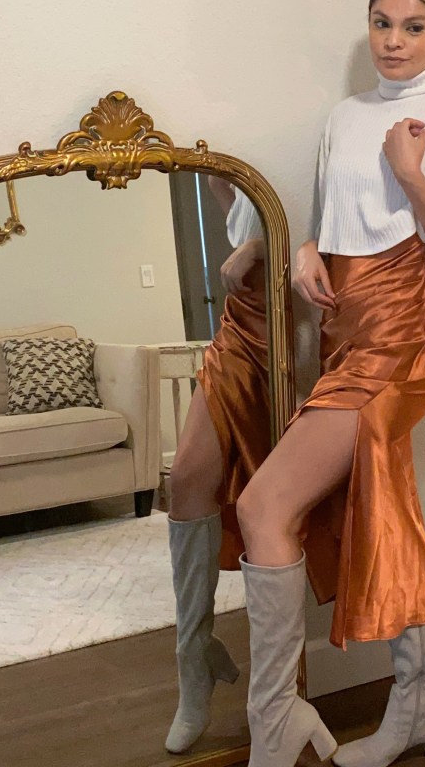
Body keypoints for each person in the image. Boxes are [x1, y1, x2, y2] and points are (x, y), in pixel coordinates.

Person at [234, 0, 425, 767]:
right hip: (342, 330)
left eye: (414, 26)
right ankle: (417, 705)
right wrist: (308, 249)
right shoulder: (346, 114)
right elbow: (334, 215)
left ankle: (276, 723)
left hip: (402, 336)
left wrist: (412, 175)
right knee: (384, 503)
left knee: (262, 506)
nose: (393, 41)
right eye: (382, 23)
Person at [165, 180, 270, 755]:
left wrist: (263, 246)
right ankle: (194, 660)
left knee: (275, 503)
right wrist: (229, 204)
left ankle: (280, 698)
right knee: (186, 479)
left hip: (298, 320)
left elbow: (337, 219)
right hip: (240, 327)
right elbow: (243, 222)